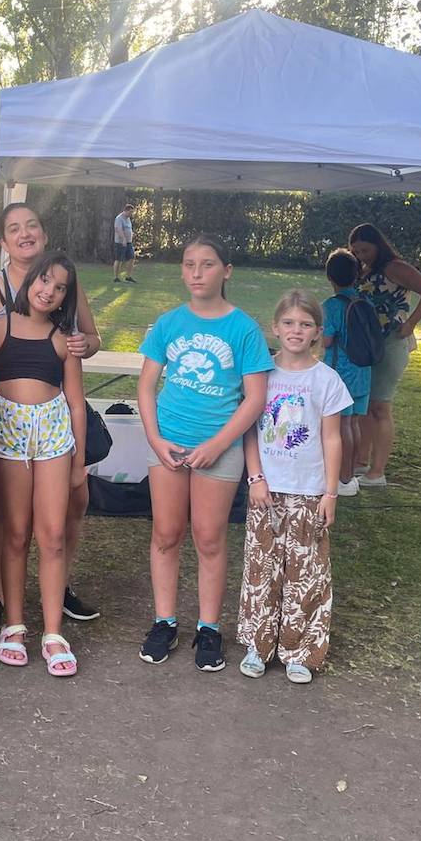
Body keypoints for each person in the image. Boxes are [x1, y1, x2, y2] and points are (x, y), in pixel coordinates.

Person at [0, 202, 102, 634]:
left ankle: (60, 587)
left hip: (55, 412)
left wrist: (81, 345)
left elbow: (91, 337)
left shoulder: (65, 283)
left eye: (32, 225)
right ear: (3, 243)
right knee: (2, 511)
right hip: (6, 423)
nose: (25, 234)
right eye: (14, 229)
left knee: (68, 507)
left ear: (43, 233)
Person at [136, 234, 272, 672]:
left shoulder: (243, 329)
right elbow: (146, 386)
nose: (197, 273)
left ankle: (209, 628)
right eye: (189, 264)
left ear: (226, 271)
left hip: (220, 447)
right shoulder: (169, 323)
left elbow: (254, 399)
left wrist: (217, 444)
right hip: (169, 444)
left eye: (207, 264)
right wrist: (156, 440)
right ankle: (165, 621)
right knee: (166, 534)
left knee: (209, 538)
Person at [0, 252, 87, 676]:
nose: (49, 291)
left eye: (60, 288)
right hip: (8, 436)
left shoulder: (63, 340)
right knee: (16, 532)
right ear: (29, 280)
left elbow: (76, 404)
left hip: (54, 436)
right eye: (44, 281)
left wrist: (77, 463)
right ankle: (14, 624)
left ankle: (54, 632)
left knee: (53, 534)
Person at [238, 291, 352, 683]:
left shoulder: (326, 380)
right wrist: (255, 477)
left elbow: (333, 438)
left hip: (309, 491)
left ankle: (300, 650)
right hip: (266, 491)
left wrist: (330, 492)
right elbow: (250, 431)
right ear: (275, 327)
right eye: (288, 323)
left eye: (305, 324)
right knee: (262, 568)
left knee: (306, 571)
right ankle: (258, 643)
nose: (296, 331)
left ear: (318, 332)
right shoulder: (261, 375)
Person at [348, 223, 421, 486]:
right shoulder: (364, 270)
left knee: (380, 406)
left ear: (378, 244)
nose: (361, 255)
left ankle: (377, 472)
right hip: (368, 344)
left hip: (391, 343)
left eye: (365, 249)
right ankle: (360, 461)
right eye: (356, 251)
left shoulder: (395, 267)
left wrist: (411, 323)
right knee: (365, 405)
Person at [322, 248, 373, 496]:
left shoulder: (331, 305)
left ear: (330, 277)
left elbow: (327, 340)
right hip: (364, 370)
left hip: (340, 372)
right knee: (354, 423)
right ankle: (350, 474)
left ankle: (342, 478)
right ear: (356, 275)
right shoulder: (365, 302)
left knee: (342, 424)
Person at [113, 202, 136, 283]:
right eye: (130, 212)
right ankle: (116, 277)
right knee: (118, 259)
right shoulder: (119, 218)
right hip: (120, 242)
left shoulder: (128, 218)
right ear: (126, 210)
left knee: (132, 258)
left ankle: (128, 276)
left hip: (129, 242)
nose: (131, 214)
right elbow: (118, 229)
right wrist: (123, 239)